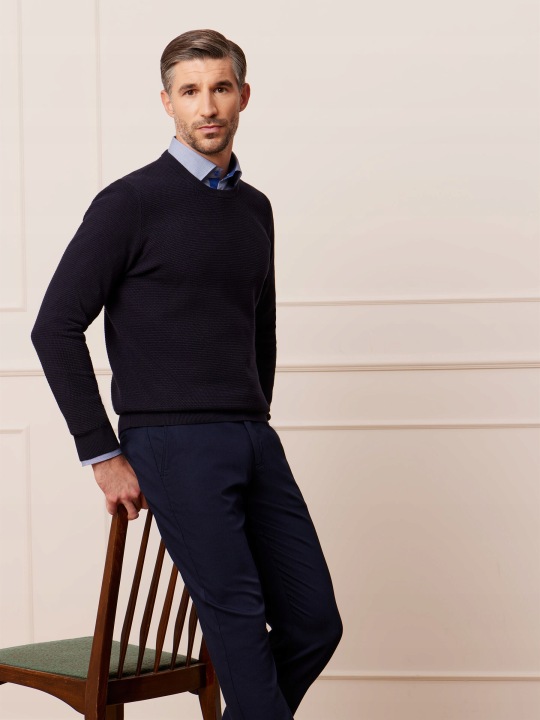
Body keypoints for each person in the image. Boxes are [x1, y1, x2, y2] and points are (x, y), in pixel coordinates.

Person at [30, 28, 343, 719]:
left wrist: (254, 415)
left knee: (315, 623)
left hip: (252, 436)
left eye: (221, 88)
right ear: (167, 102)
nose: (208, 106)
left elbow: (259, 327)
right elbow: (53, 327)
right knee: (240, 628)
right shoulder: (130, 202)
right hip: (172, 443)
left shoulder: (255, 209)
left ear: (244, 96)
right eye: (191, 91)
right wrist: (102, 454)